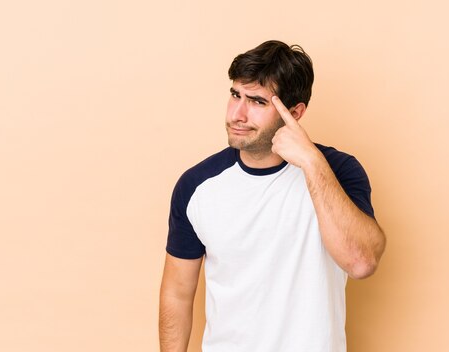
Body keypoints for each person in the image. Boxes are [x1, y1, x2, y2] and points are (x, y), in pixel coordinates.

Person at [158, 40, 386, 352]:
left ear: (295, 112)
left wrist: (310, 161)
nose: (238, 114)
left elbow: (361, 262)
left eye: (257, 102)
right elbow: (177, 293)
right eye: (235, 95)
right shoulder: (197, 185)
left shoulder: (338, 171)